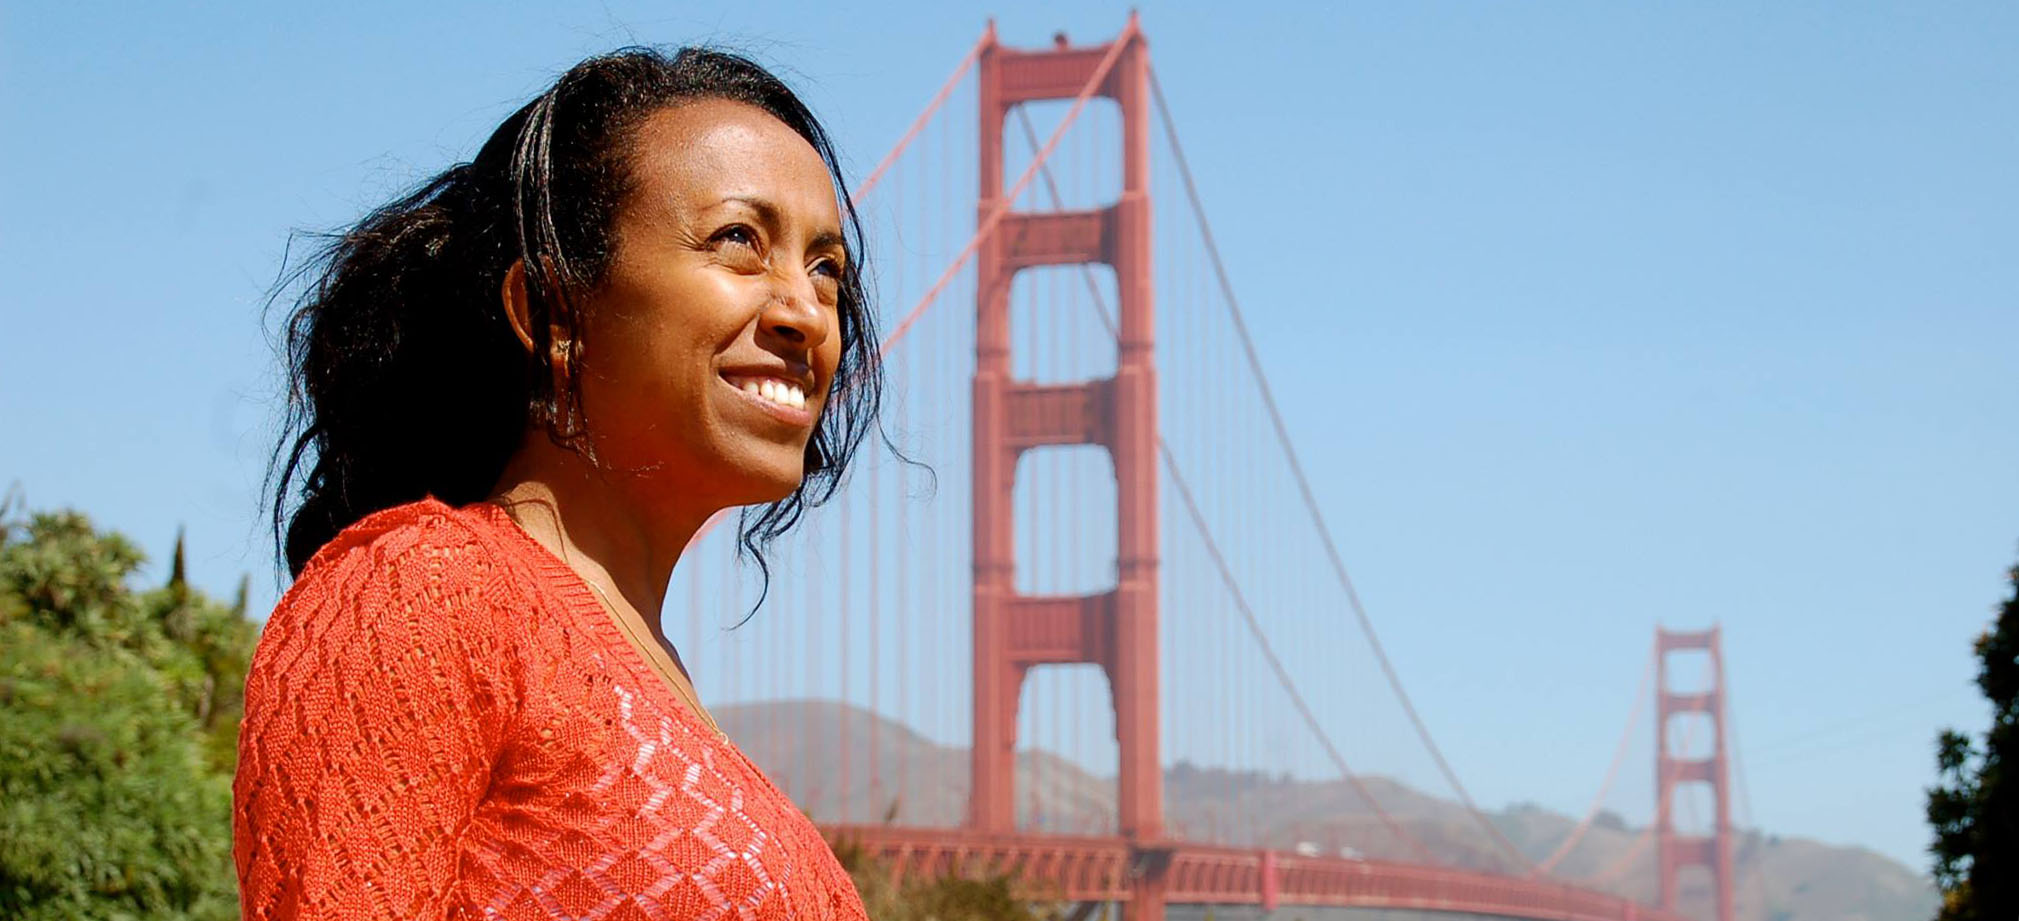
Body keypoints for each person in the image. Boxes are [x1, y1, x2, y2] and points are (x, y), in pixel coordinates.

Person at [237, 46, 881, 920]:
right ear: (551, 313)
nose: (805, 312)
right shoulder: (422, 591)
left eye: (826, 270)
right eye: (739, 241)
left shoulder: (651, 677)